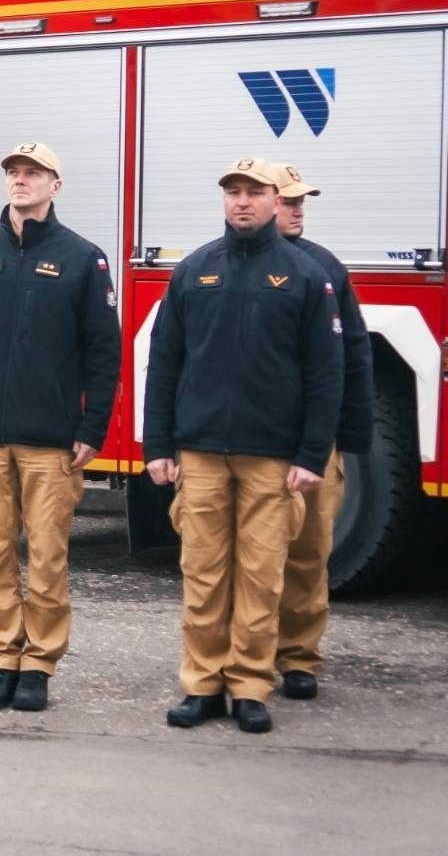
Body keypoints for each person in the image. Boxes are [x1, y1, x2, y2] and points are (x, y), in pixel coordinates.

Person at [144, 157, 341, 735]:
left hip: (271, 459)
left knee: (261, 575)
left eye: (254, 191)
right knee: (203, 574)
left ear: (275, 199)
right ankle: (203, 685)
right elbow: (166, 362)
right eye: (233, 191)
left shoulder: (305, 275)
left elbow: (325, 374)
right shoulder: (195, 270)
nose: (242, 201)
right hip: (202, 453)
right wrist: (159, 445)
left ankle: (250, 686)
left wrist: (310, 456)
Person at [0, 144, 122, 712]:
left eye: (32, 173)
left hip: (51, 442)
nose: (20, 180)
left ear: (55, 185)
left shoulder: (82, 259)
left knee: (45, 558)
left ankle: (38, 663)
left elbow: (103, 351)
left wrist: (92, 427)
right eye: (14, 173)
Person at [269, 162, 374, 702]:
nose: (298, 209)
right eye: (288, 200)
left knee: (309, 556)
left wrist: (351, 439)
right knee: (250, 558)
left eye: (301, 201)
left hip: (313, 443)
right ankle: (247, 654)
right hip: (254, 442)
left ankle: (298, 658)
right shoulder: (228, 266)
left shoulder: (324, 267)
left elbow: (352, 358)